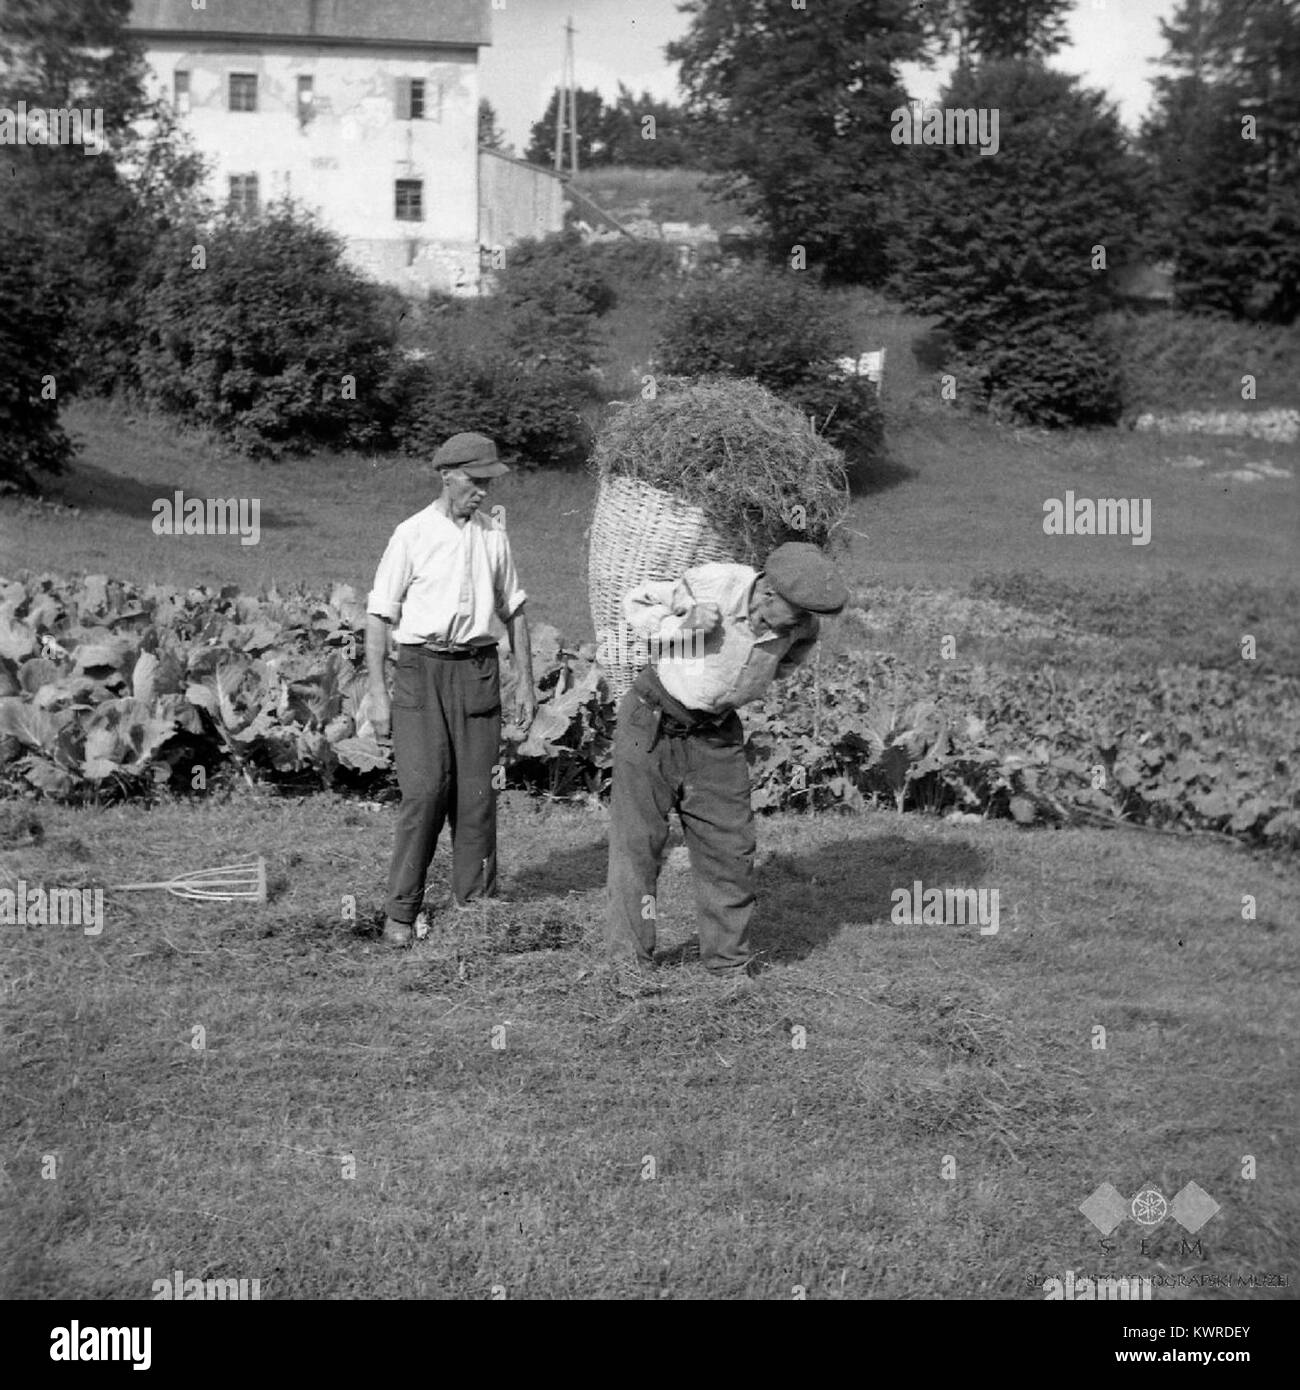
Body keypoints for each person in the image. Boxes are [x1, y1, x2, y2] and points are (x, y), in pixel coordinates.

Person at [605, 541, 847, 992]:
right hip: (652, 720)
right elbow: (635, 602)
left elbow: (785, 666)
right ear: (769, 593)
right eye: (791, 617)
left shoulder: (802, 628)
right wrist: (680, 625)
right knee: (638, 845)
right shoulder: (713, 583)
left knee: (730, 848)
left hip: (715, 736)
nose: (795, 627)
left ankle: (727, 967)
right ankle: (628, 963)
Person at [366, 433, 537, 947]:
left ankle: (475, 912)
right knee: (424, 792)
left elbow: (516, 610)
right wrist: (377, 694)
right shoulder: (411, 535)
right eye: (476, 480)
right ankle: (401, 911)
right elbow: (379, 616)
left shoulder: (493, 536)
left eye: (488, 481)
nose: (484, 490)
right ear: (448, 476)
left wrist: (525, 681)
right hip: (421, 670)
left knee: (478, 797)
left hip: (478, 672)